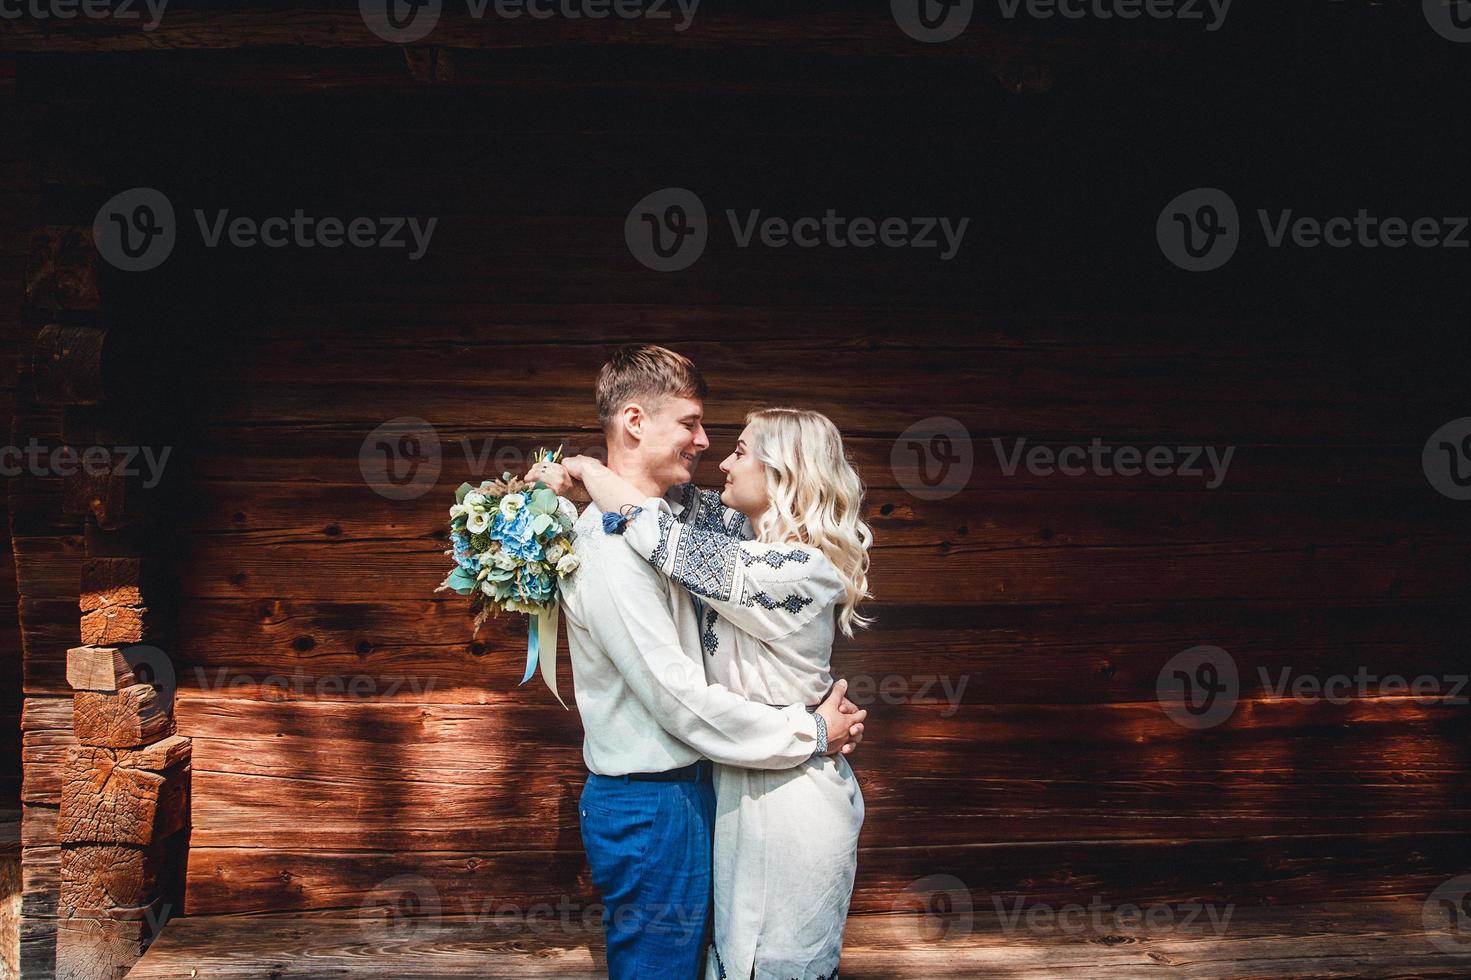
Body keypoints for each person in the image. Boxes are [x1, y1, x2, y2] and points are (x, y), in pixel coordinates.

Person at [526, 346, 866, 980]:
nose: (710, 446)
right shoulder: (616, 544)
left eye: (737, 446)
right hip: (668, 798)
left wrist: (589, 474)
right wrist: (812, 730)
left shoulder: (735, 546)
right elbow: (677, 699)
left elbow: (668, 531)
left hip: (738, 786)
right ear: (635, 421)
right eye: (692, 424)